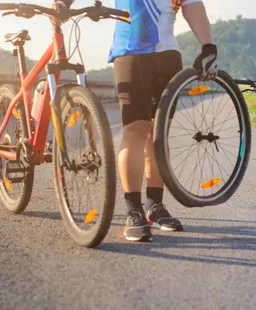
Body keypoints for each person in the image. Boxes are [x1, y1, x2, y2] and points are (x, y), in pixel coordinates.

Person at [53, 0, 218, 242]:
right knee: (136, 129)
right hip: (132, 52)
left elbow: (191, 4)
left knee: (158, 135)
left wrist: (208, 46)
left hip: (169, 56)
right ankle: (133, 208)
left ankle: (155, 205)